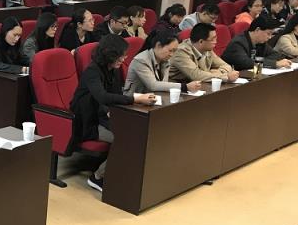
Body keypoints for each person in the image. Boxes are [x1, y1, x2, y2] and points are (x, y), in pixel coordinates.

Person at [68, 35, 157, 192]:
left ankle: (124, 173)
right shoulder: (92, 71)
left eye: (124, 55)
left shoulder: (113, 70)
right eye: (120, 55)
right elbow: (103, 97)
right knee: (128, 140)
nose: (123, 59)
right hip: (88, 123)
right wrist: (135, 98)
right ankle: (98, 177)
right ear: (109, 54)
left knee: (140, 133)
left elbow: (115, 96)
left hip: (104, 117)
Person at [124, 31, 202, 94]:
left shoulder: (165, 60)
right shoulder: (141, 60)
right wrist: (184, 87)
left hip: (155, 97)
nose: (172, 54)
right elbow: (153, 85)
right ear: (158, 45)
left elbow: (164, 84)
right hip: (134, 101)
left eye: (174, 51)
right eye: (170, 50)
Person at [169, 23, 239, 83]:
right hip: (179, 87)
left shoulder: (207, 49)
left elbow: (226, 66)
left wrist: (213, 73)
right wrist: (226, 77)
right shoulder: (181, 52)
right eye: (213, 39)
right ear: (201, 42)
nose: (216, 42)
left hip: (199, 85)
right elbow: (196, 76)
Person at [222, 15, 292, 70]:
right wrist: (275, 64)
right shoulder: (238, 43)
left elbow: (276, 55)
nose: (270, 37)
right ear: (257, 29)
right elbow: (246, 63)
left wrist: (259, 60)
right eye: (268, 33)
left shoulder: (260, 42)